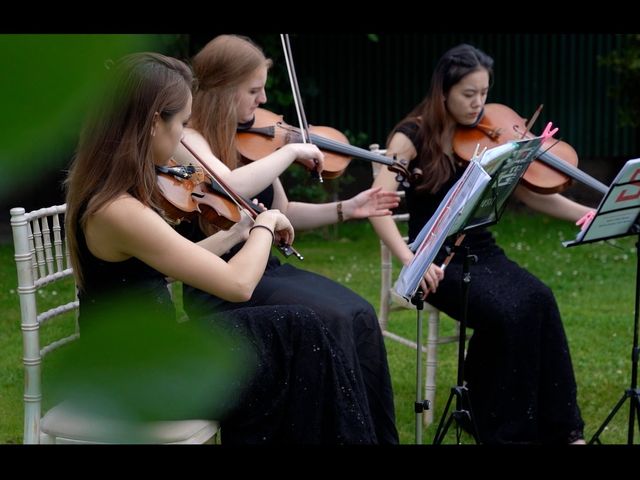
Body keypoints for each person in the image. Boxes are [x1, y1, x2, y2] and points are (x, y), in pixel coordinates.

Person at [64, 52, 384, 444]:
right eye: (181, 124)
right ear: (151, 125)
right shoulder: (118, 210)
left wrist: (240, 231)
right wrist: (266, 224)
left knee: (298, 331)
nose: (184, 138)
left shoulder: (114, 196)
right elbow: (238, 285)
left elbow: (173, 263)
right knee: (298, 337)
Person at [173, 34, 400, 444]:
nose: (261, 102)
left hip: (267, 269)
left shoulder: (253, 141)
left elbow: (282, 212)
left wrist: (349, 208)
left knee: (359, 312)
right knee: (330, 319)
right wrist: (290, 153)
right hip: (222, 282)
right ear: (223, 90)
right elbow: (228, 185)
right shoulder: (189, 139)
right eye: (253, 90)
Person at [370, 43, 591, 444]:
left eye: (483, 93)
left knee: (539, 298)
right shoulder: (411, 137)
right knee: (507, 313)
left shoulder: (488, 134)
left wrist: (584, 212)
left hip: (481, 250)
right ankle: (505, 427)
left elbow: (530, 192)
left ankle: (561, 427)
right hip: (436, 260)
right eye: (468, 94)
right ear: (443, 93)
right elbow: (377, 208)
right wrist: (412, 262)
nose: (478, 104)